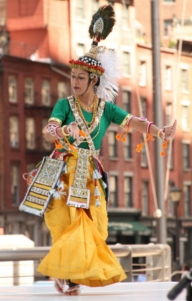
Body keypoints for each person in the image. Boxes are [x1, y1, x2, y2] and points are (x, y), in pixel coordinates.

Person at [22, 5, 176, 296]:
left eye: (81, 77)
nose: (75, 81)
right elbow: (48, 130)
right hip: (65, 174)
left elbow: (133, 121)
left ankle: (72, 274)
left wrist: (160, 132)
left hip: (91, 176)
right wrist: (65, 130)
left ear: (94, 80)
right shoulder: (65, 106)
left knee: (95, 226)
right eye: (73, 76)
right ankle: (68, 275)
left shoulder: (106, 110)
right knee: (69, 223)